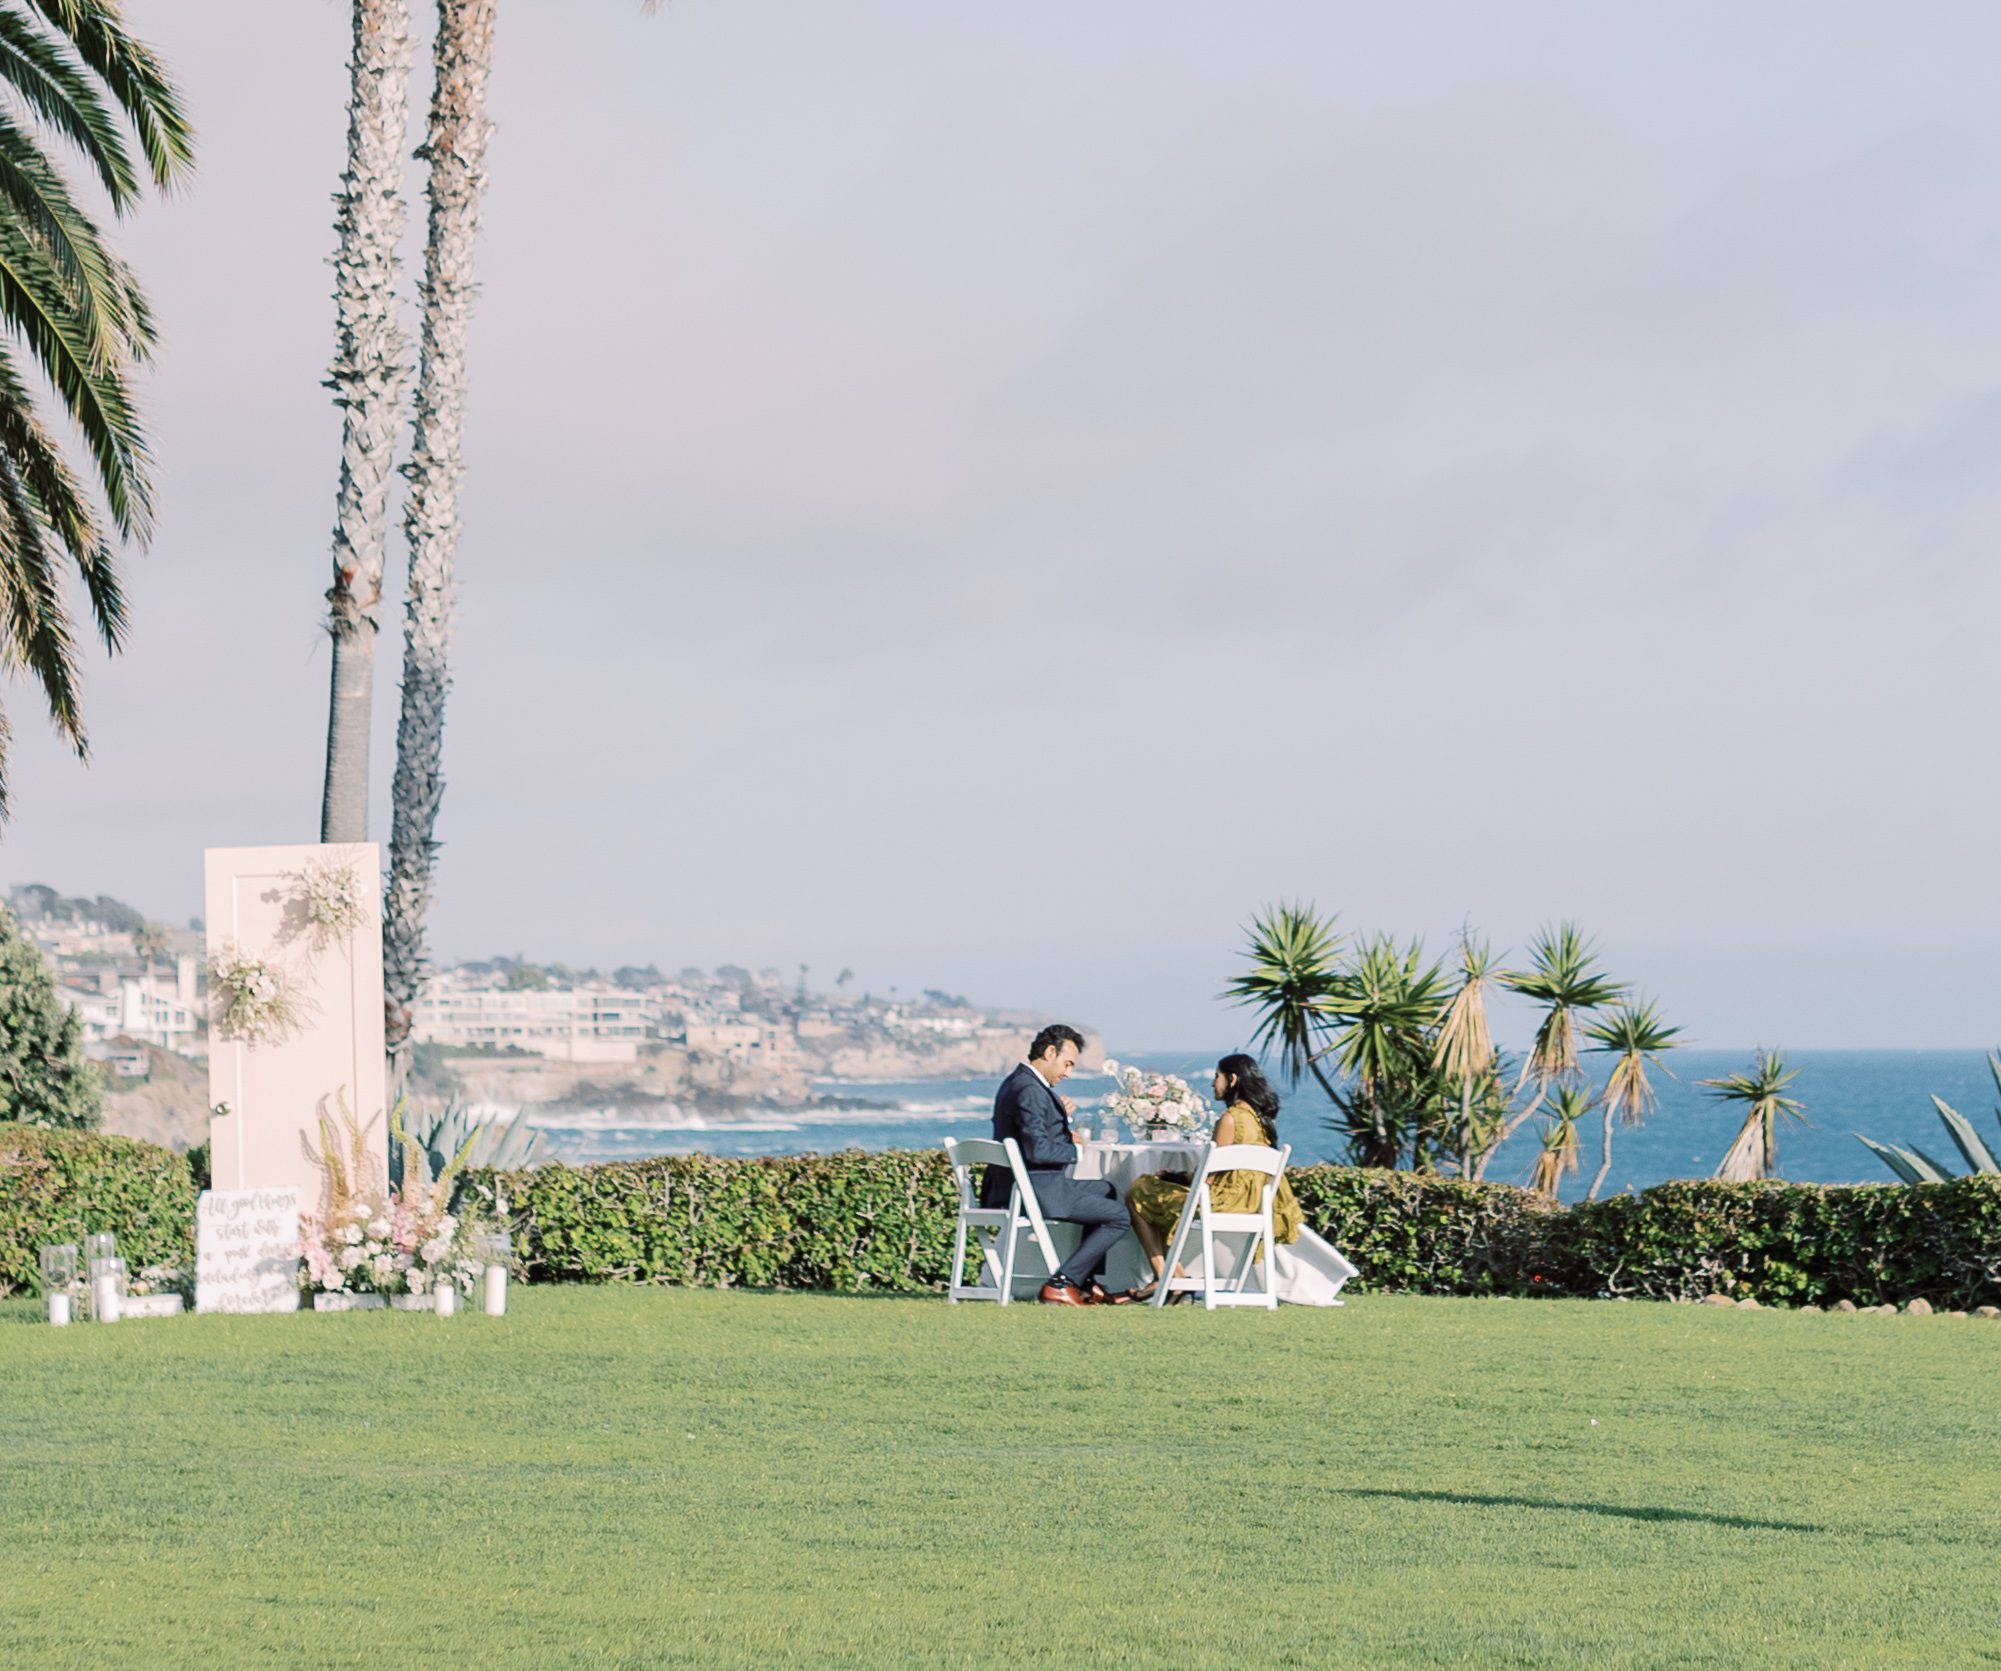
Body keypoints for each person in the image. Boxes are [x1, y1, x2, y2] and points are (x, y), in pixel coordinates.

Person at [1127, 1053, 1301, 1301]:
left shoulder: (1230, 1119)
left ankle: (1163, 1276)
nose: (1212, 1083)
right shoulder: (1261, 1120)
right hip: (1252, 1205)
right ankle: (1172, 1278)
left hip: (1222, 1203)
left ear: (1232, 1079)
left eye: (1216, 1077)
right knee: (1159, 1194)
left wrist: (1179, 1177)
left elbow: (1207, 1179)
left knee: (1139, 1191)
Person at [983, 1023, 1134, 1306]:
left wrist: (1061, 1122)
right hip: (1035, 1189)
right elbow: (1038, 1150)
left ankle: (1085, 1283)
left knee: (1106, 1190)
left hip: (1024, 1184)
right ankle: (1061, 1284)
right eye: (1067, 1064)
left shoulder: (1020, 1083)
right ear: (1050, 1052)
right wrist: (1074, 1148)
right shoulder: (1030, 1090)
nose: (1068, 1073)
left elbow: (1031, 1131)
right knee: (1119, 1217)